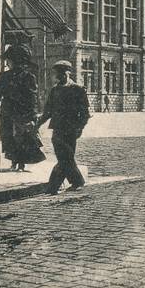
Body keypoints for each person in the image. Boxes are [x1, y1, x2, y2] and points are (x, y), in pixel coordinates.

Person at [37, 60, 90, 194]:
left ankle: (54, 187)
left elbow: (85, 113)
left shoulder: (78, 89)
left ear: (68, 73)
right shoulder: (55, 90)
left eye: (61, 73)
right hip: (58, 129)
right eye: (57, 74)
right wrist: (37, 124)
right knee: (64, 157)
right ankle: (73, 182)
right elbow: (48, 111)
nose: (58, 76)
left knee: (65, 158)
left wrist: (80, 128)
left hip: (71, 129)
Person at [0, 44, 45, 171]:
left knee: (19, 138)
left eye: (8, 60)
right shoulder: (26, 76)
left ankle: (18, 162)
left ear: (15, 60)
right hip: (16, 113)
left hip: (17, 113)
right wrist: (33, 115)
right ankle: (17, 162)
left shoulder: (10, 76)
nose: (7, 63)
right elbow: (33, 99)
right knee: (11, 137)